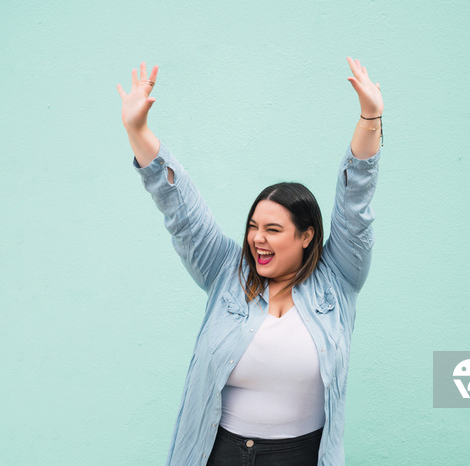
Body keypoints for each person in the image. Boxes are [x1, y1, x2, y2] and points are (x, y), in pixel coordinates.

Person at [117, 57, 383, 466]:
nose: (258, 238)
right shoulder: (227, 270)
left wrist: (370, 117)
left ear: (306, 235)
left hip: (300, 456)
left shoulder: (339, 277)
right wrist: (138, 131)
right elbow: (180, 209)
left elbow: (355, 203)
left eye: (274, 230)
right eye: (254, 226)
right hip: (220, 452)